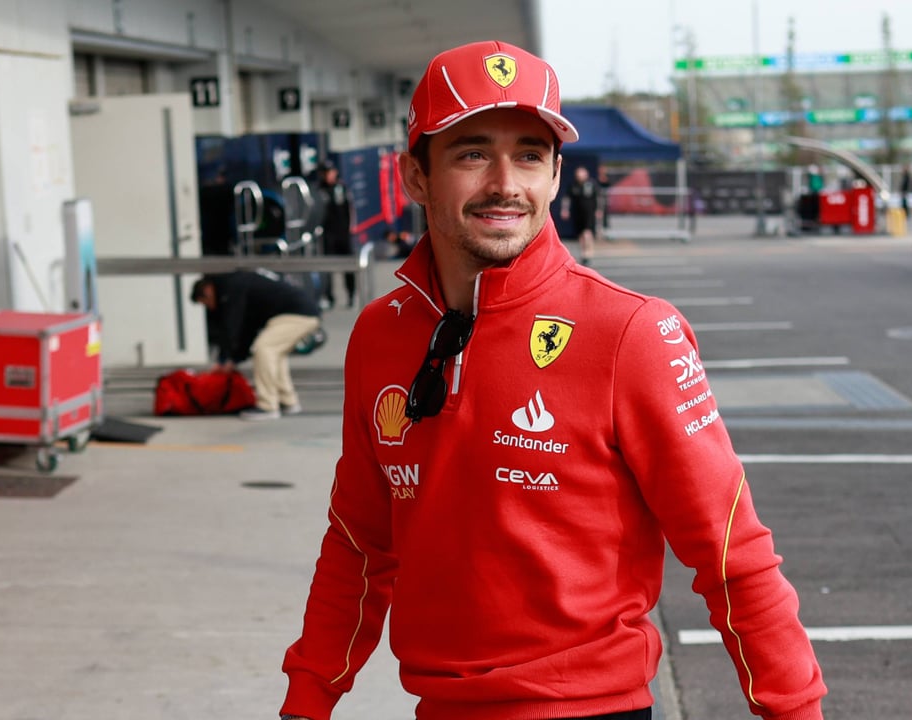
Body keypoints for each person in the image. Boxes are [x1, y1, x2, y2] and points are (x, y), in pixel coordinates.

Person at [278, 40, 826, 720]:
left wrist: (795, 710)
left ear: (557, 174)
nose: (505, 183)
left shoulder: (632, 331)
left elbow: (730, 553)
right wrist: (307, 699)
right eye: (472, 154)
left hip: (592, 708)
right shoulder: (377, 335)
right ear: (414, 176)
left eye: (530, 155)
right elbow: (359, 543)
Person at [189, 271, 321, 421]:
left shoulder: (231, 288)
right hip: (302, 312)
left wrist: (224, 359)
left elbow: (232, 326)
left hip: (296, 313)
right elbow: (248, 328)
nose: (210, 308)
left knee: (264, 349)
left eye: (206, 303)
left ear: (208, 291)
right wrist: (233, 359)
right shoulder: (238, 286)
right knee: (275, 353)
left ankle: (267, 406)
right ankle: (287, 401)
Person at [315, 164, 357, 308]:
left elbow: (350, 208)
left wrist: (351, 227)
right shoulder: (319, 190)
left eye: (330, 172)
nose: (328, 175)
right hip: (328, 233)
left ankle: (351, 294)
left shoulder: (341, 187)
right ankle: (329, 297)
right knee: (327, 266)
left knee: (348, 265)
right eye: (325, 172)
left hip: (343, 233)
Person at [561, 165, 600, 263]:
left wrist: (599, 210)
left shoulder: (591, 184)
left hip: (589, 213)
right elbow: (567, 198)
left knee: (587, 232)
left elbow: (598, 198)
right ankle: (583, 252)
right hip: (577, 212)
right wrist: (565, 210)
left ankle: (588, 252)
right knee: (581, 234)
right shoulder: (573, 185)